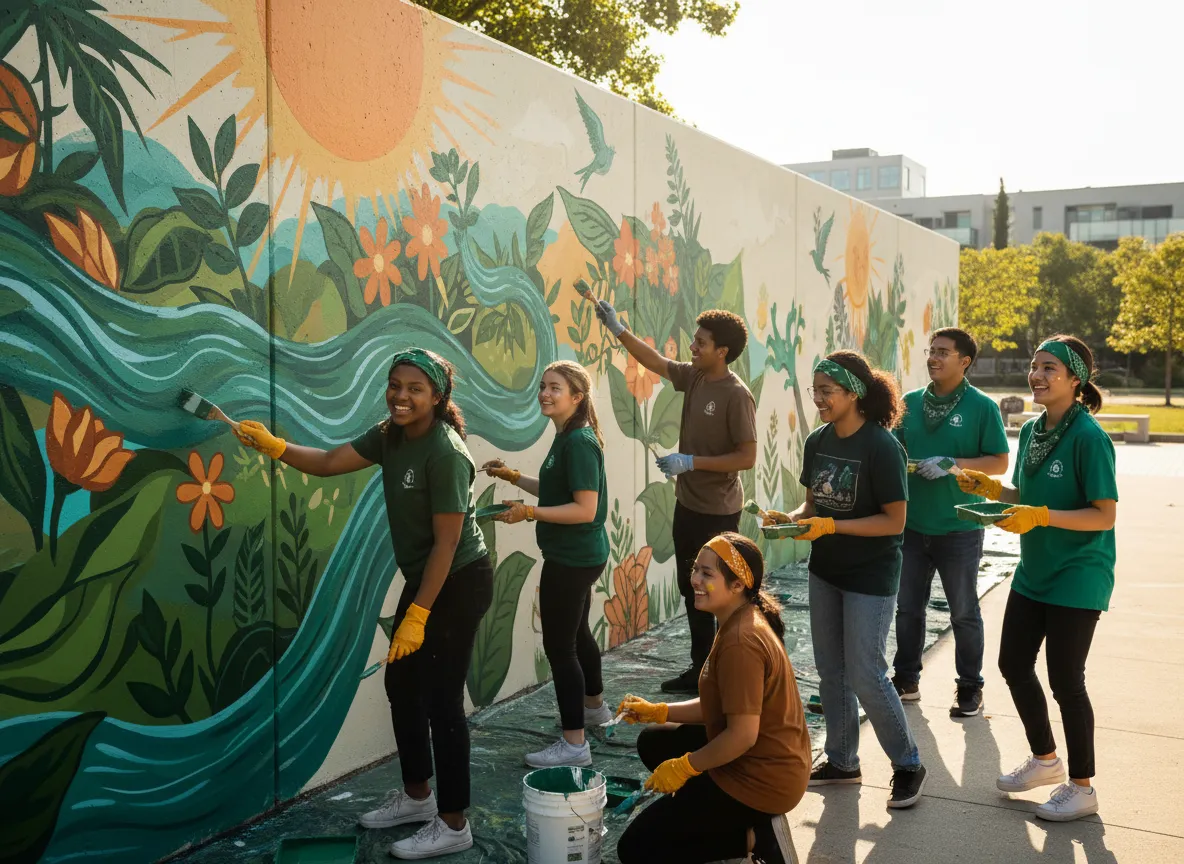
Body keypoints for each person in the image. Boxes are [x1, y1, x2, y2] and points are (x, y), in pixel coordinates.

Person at [234, 348, 491, 860]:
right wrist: (275, 446)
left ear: (437, 398)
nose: (401, 396)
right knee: (401, 683)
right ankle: (419, 798)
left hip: (458, 581)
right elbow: (331, 463)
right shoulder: (389, 435)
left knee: (442, 702)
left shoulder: (446, 452)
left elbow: (446, 544)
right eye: (395, 384)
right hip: (427, 581)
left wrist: (418, 614)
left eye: (415, 389)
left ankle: (453, 822)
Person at [957, 335, 1116, 822]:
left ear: (1075, 379)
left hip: (1079, 573)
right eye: (1034, 366)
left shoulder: (1089, 437)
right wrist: (993, 489)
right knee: (1012, 664)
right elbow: (1024, 495)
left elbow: (1103, 515)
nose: (1037, 376)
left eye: (1049, 368)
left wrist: (1041, 516)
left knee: (1066, 680)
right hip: (1034, 570)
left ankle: (1083, 787)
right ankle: (1046, 760)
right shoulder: (1030, 431)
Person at [773, 351, 927, 808]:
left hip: (871, 577)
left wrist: (832, 527)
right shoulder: (818, 440)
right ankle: (842, 760)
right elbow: (813, 506)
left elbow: (894, 522)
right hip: (826, 571)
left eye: (827, 391)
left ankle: (908, 764)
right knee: (831, 671)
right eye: (814, 390)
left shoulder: (882, 447)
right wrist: (791, 519)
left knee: (867, 673)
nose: (818, 399)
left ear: (853, 394)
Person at [614, 533, 810, 864]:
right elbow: (722, 707)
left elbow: (742, 735)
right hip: (759, 757)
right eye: (696, 570)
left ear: (737, 585)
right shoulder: (737, 617)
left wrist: (686, 766)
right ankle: (730, 830)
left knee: (636, 849)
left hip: (764, 779)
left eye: (708, 574)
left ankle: (749, 836)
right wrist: (659, 712)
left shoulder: (741, 641)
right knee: (655, 741)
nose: (695, 580)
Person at [595, 300, 757, 693]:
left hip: (718, 513)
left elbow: (747, 456)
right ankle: (701, 670)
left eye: (701, 343)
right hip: (688, 506)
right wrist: (617, 328)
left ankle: (731, 673)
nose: (693, 347)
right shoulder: (696, 376)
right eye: (694, 340)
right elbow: (655, 361)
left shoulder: (736, 395)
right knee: (694, 590)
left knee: (721, 593)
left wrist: (691, 462)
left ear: (723, 352)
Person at [479, 360, 613, 768]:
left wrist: (529, 514)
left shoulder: (578, 442)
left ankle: (574, 745)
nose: (545, 393)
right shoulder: (567, 436)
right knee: (578, 635)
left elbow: (584, 509)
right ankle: (595, 710)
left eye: (555, 387)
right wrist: (515, 477)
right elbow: (559, 490)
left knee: (560, 647)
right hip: (579, 555)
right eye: (542, 386)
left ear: (577, 396)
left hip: (571, 558)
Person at [891, 327, 1009, 717]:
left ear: (965, 361)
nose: (933, 358)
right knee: (907, 607)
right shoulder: (907, 403)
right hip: (911, 526)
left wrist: (953, 465)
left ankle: (969, 688)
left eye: (943, 352)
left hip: (959, 527)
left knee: (962, 610)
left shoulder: (981, 407)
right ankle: (906, 679)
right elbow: (891, 452)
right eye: (931, 350)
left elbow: (998, 461)